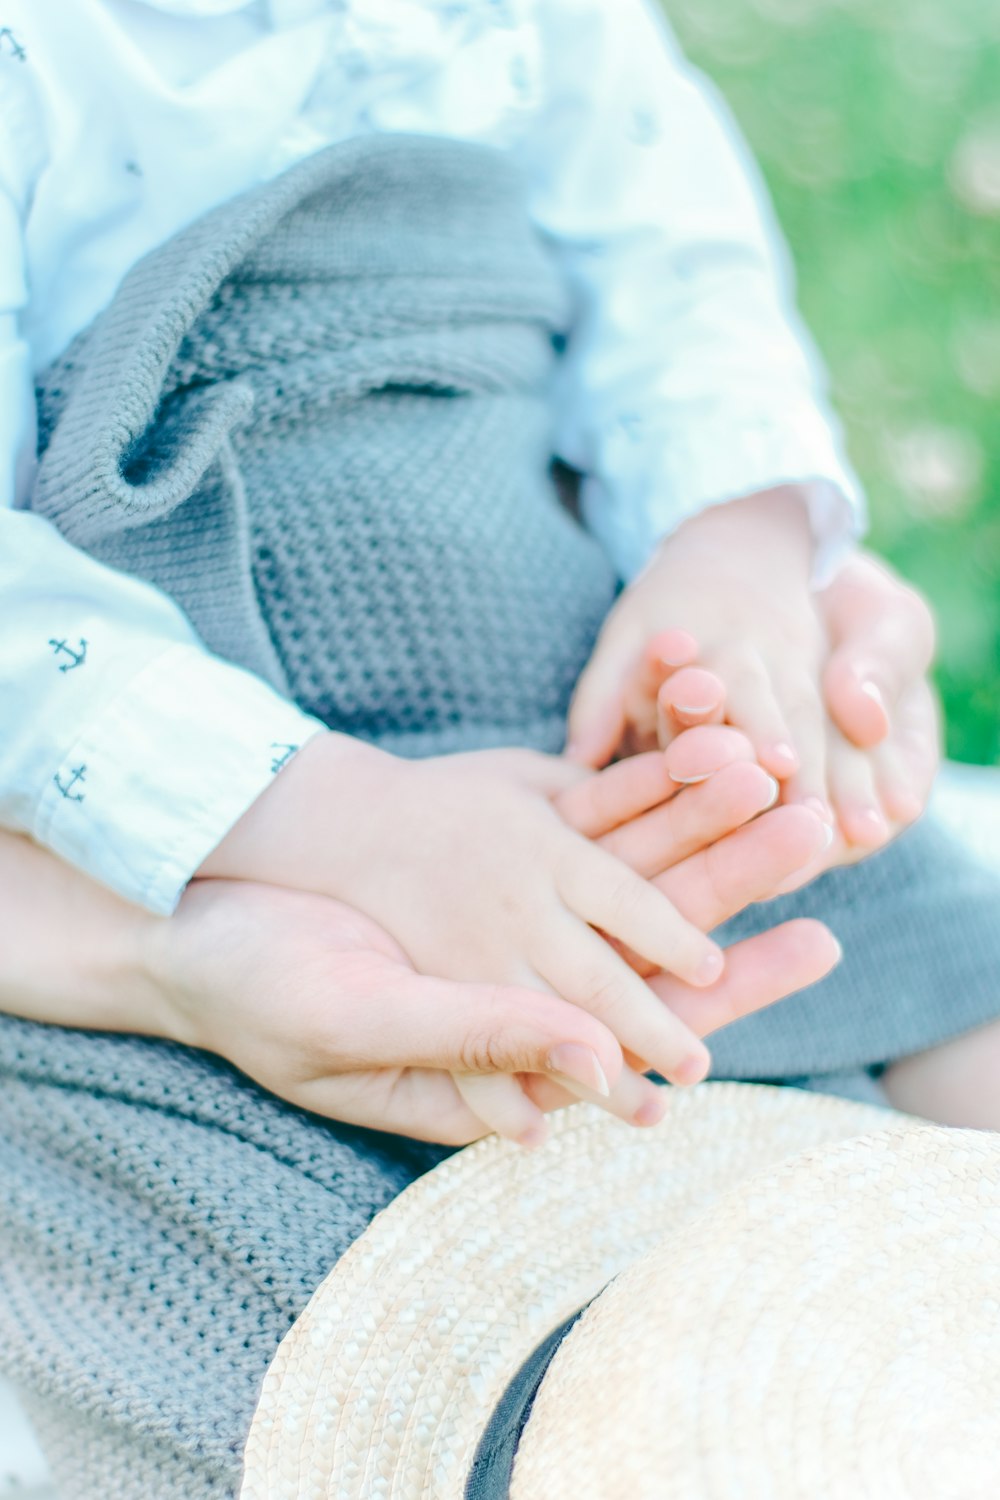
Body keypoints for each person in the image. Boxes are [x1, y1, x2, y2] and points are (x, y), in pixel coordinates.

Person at [2, 3, 1000, 1495]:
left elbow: (671, 269)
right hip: (192, 805)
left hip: (563, 674)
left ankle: (895, 1327)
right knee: (223, 1241)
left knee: (913, 933)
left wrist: (732, 544)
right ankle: (533, 1421)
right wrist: (322, 819)